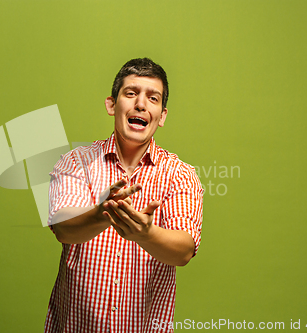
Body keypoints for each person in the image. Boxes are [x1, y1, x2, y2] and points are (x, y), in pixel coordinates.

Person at [44, 58, 204, 333]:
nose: (141, 104)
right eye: (131, 93)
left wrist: (145, 233)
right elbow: (63, 229)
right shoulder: (75, 163)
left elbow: (184, 250)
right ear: (112, 104)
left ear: (162, 115)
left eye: (152, 98)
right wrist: (102, 212)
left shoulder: (181, 174)